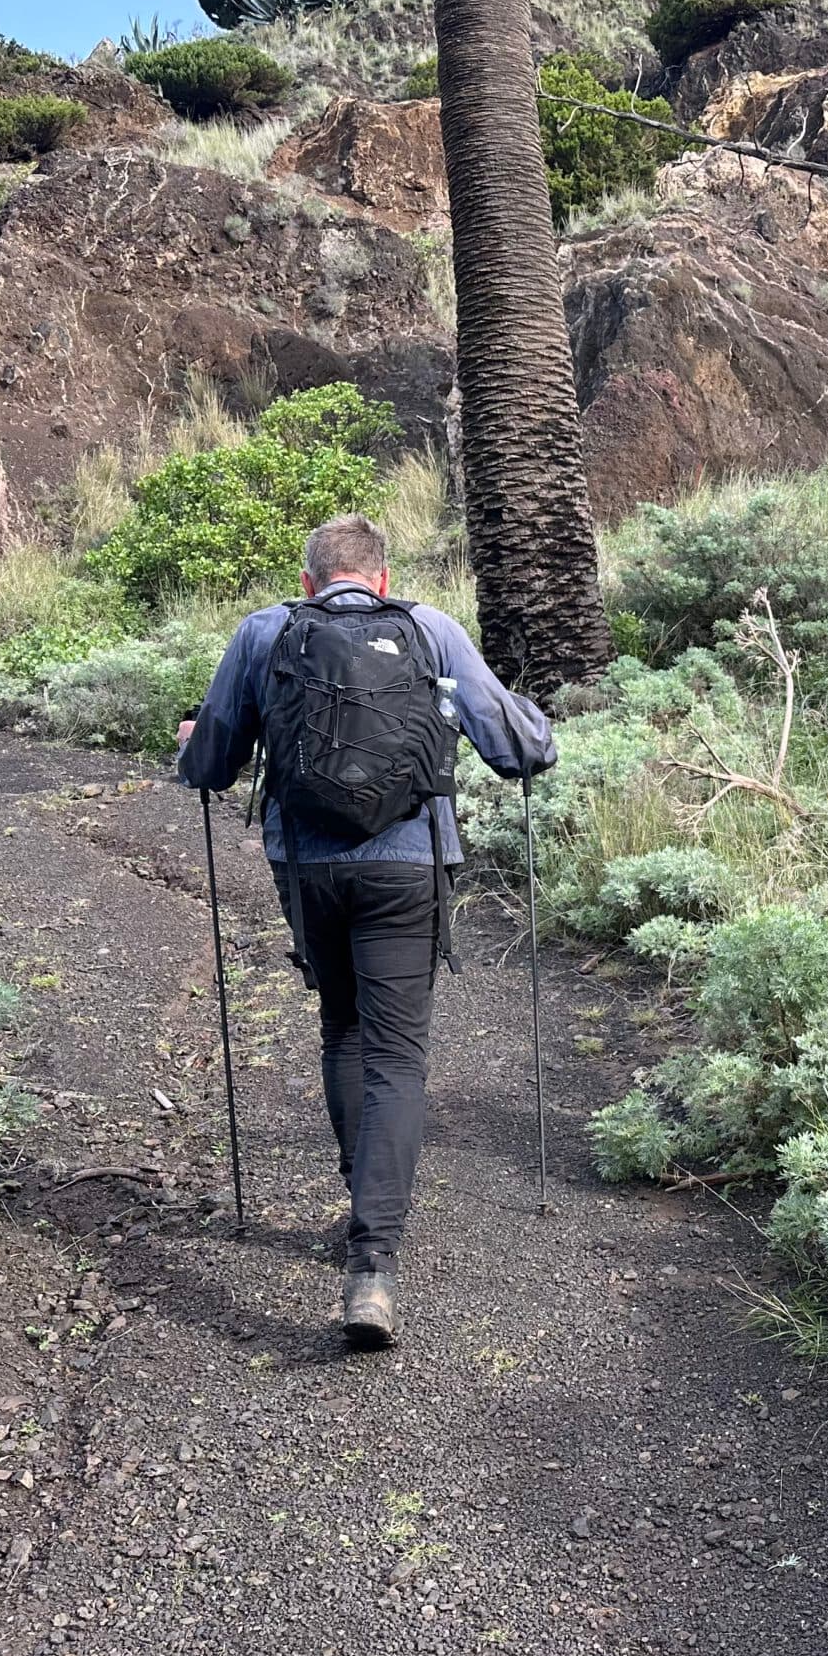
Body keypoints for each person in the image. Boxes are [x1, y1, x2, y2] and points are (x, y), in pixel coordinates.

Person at [176, 514, 556, 1348]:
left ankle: (365, 1197)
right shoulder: (428, 628)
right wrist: (533, 722)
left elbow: (210, 766)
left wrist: (193, 742)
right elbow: (515, 750)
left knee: (342, 1026)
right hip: (407, 867)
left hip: (307, 869)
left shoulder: (265, 630)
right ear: (381, 581)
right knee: (397, 1050)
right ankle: (372, 1262)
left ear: (311, 582)